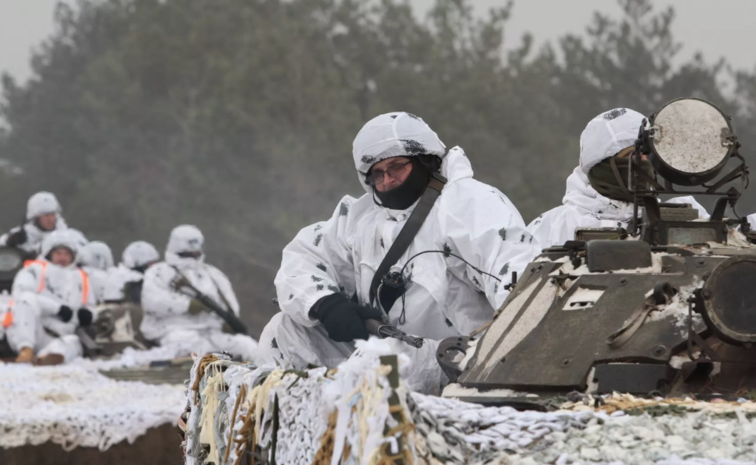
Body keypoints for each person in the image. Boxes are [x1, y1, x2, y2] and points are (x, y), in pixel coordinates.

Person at [254, 112, 541, 393]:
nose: (388, 181)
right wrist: (326, 304)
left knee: (377, 362)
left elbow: (523, 289)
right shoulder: (364, 217)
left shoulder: (467, 205)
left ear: (426, 160)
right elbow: (303, 256)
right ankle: (292, 431)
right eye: (377, 174)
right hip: (387, 350)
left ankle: (377, 434)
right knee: (285, 331)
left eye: (397, 167)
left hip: (460, 360)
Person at [528, 108, 708, 249]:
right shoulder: (554, 226)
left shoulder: (685, 219)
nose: (644, 162)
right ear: (602, 166)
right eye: (632, 154)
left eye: (647, 154)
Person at [141, 225, 256, 357]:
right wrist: (186, 305)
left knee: (248, 346)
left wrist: (227, 322)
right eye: (187, 253)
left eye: (195, 253)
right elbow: (151, 301)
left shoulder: (212, 274)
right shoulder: (158, 272)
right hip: (173, 331)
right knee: (192, 346)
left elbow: (230, 303)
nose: (193, 256)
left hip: (212, 332)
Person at [3, 229, 95, 365]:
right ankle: (26, 349)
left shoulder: (81, 277)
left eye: (66, 254)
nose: (62, 258)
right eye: (58, 253)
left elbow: (91, 307)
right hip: (34, 330)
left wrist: (88, 315)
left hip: (61, 335)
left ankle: (49, 357)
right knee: (26, 299)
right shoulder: (33, 270)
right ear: (49, 253)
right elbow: (22, 297)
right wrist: (57, 309)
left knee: (72, 343)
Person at [0, 192, 67, 254]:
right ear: (36, 218)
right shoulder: (23, 234)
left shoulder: (66, 235)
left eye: (52, 215)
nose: (51, 219)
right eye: (46, 216)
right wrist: (9, 242)